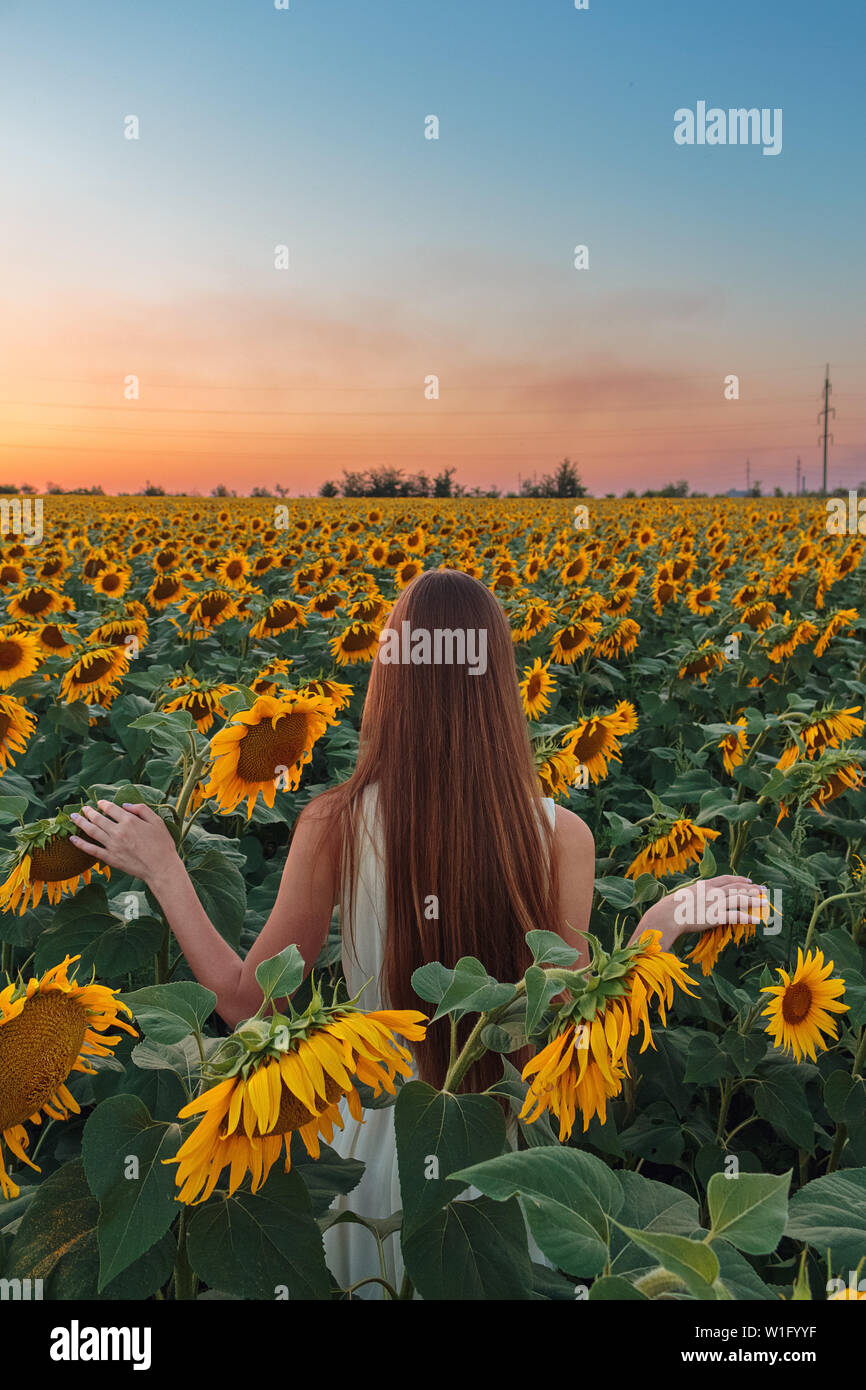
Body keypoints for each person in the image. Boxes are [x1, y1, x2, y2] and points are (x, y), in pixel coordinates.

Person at [69, 569, 767, 1297]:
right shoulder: (563, 836)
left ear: (390, 676)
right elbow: (563, 1027)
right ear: (499, 682)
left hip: (370, 1143)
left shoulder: (335, 823)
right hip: (501, 1156)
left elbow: (250, 1005)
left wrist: (167, 871)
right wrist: (658, 928)